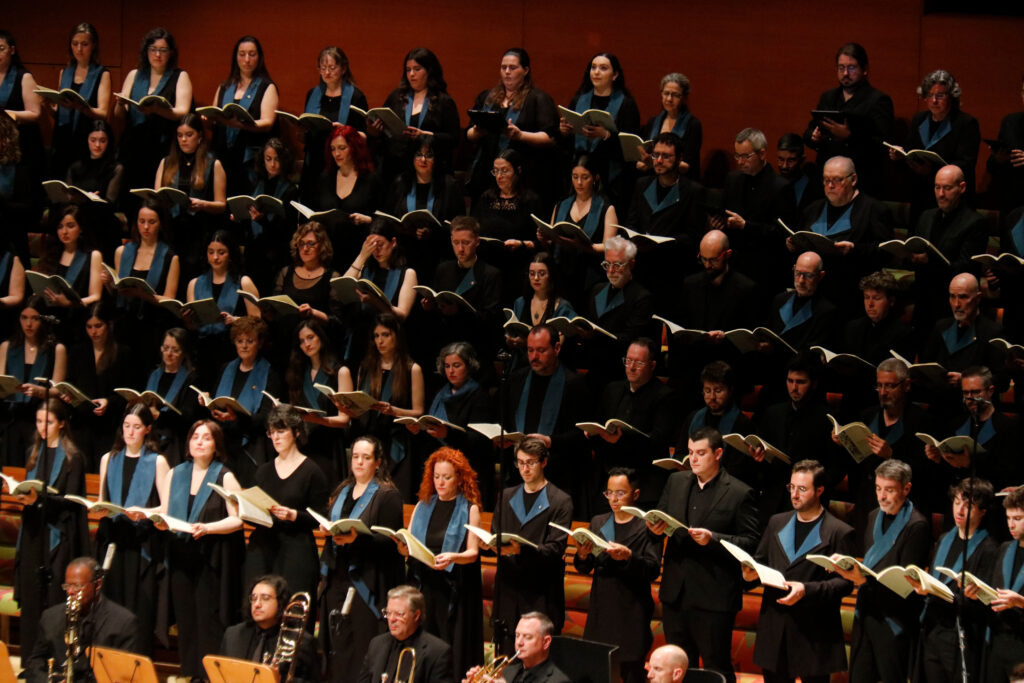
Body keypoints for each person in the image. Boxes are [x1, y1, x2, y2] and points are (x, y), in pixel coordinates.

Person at [649, 427, 759, 683]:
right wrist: (654, 529)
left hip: (714, 597)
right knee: (677, 667)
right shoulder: (676, 482)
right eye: (690, 453)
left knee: (715, 666)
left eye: (700, 453)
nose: (693, 459)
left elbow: (751, 542)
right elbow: (660, 520)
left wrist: (714, 539)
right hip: (676, 593)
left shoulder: (739, 492)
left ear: (718, 454)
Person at [743, 459, 856, 683]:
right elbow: (760, 562)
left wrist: (806, 589)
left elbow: (845, 583)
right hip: (775, 628)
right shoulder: (777, 522)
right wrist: (749, 575)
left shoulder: (838, 531)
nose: (794, 495)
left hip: (814, 633)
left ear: (819, 491)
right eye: (791, 487)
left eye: (802, 489)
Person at [157, 419, 245, 679]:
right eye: (195, 437)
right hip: (181, 554)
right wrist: (153, 518)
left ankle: (210, 676)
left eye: (206, 438)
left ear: (216, 445)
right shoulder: (175, 473)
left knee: (208, 620)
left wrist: (208, 528)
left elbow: (238, 520)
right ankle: (189, 674)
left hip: (210, 556)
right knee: (185, 620)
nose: (199, 442)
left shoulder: (225, 476)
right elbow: (165, 512)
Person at [830, 459, 931, 683]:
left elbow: (907, 586)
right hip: (866, 611)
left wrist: (863, 580)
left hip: (895, 619)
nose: (881, 496)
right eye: (878, 488)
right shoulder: (873, 516)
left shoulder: (917, 526)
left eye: (889, 490)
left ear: (906, 489)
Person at [318, 436, 404, 683]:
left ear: (378, 462)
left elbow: (390, 540)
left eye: (366, 458)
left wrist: (358, 539)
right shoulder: (343, 491)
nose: (359, 462)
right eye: (355, 456)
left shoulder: (387, 495)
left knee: (360, 644)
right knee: (338, 643)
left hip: (367, 578)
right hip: (337, 574)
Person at [13, 399, 89, 659]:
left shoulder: (73, 458)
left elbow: (71, 502)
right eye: (38, 421)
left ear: (62, 423)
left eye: (48, 422)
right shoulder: (34, 452)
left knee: (54, 600)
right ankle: (30, 661)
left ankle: (55, 661)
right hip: (33, 533)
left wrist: (40, 500)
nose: (42, 427)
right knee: (32, 599)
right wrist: (25, 497)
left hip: (58, 535)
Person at [96, 402, 171, 655]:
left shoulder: (157, 461)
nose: (130, 432)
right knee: (111, 602)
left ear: (147, 429)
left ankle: (137, 662)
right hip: (114, 540)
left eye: (136, 427)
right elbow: (102, 500)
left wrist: (145, 512)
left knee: (138, 606)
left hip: (142, 544)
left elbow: (167, 507)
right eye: (126, 425)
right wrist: (98, 508)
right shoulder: (109, 459)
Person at [400, 448, 483, 676]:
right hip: (424, 583)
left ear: (459, 479)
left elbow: (473, 553)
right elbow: (409, 542)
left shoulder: (470, 508)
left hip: (452, 586)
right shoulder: (423, 505)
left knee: (448, 645)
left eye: (447, 477)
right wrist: (402, 546)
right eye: (436, 476)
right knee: (423, 642)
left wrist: (453, 557)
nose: (440, 482)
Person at [574, 468, 661, 683]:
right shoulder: (599, 521)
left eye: (620, 493)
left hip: (632, 610)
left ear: (636, 494)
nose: (614, 499)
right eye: (609, 493)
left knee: (630, 672)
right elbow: (585, 567)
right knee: (598, 669)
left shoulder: (647, 526)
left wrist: (628, 557)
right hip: (601, 608)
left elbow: (652, 569)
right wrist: (583, 555)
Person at [489, 437, 572, 654]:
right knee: (505, 659)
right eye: (520, 462)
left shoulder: (560, 501)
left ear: (544, 462)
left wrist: (522, 550)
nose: (524, 469)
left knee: (538, 659)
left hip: (540, 593)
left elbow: (555, 548)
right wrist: (487, 544)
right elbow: (495, 533)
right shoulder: (506, 496)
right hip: (508, 591)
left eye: (531, 463)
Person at [911, 477, 998, 683]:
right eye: (957, 502)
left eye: (968, 506)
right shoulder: (944, 539)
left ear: (982, 511)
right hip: (933, 628)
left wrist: (970, 596)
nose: (959, 510)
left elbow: (987, 603)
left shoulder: (989, 549)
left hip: (962, 634)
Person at [245, 405, 328, 601]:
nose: (275, 437)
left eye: (281, 431)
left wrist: (294, 515)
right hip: (264, 548)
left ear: (296, 432)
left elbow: (321, 517)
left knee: (292, 605)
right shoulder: (263, 471)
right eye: (271, 432)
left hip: (296, 550)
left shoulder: (312, 471)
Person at [502, 325, 589, 511]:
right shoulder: (516, 379)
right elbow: (505, 421)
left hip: (558, 474)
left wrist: (550, 441)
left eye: (541, 350)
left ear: (557, 348)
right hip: (519, 473)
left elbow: (581, 436)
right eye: (530, 350)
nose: (534, 356)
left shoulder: (574, 384)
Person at [337, 313, 425, 497]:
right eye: (376, 336)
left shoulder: (411, 368)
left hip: (396, 442)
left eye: (385, 335)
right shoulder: (367, 366)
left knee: (394, 496)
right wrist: (349, 409)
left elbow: (418, 411)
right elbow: (361, 408)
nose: (380, 341)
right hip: (369, 438)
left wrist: (393, 410)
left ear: (397, 336)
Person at [845, 358, 937, 533]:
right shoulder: (867, 416)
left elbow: (927, 474)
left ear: (906, 385)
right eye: (879, 386)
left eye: (889, 386)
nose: (883, 392)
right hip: (868, 504)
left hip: (905, 508)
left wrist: (891, 456)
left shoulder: (923, 422)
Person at [668, 230, 760, 394]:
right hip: (694, 368)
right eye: (703, 259)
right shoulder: (690, 284)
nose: (707, 265)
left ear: (728, 254)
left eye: (713, 260)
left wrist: (725, 337)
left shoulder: (746, 288)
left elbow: (750, 337)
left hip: (729, 368)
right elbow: (681, 323)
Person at [797, 156, 890, 314]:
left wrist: (855, 249)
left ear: (853, 179)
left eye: (837, 180)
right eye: (826, 180)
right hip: (815, 291)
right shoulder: (813, 209)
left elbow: (886, 252)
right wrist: (795, 245)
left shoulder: (873, 209)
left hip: (852, 291)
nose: (830, 185)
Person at [465, 48, 558, 205]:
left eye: (513, 68)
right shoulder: (488, 97)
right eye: (504, 67)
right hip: (488, 172)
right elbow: (469, 134)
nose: (507, 72)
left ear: (526, 70)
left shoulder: (538, 98)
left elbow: (551, 138)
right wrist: (477, 131)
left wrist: (520, 135)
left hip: (523, 174)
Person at [24, 557, 139, 683]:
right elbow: (35, 662)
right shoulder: (50, 616)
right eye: (67, 586)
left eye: (78, 586)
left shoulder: (124, 622)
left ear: (97, 585)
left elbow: (124, 675)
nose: (70, 591)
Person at [594, 338, 679, 508]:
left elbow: (658, 442)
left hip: (645, 482)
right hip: (610, 477)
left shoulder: (665, 396)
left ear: (652, 365)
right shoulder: (612, 389)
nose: (631, 367)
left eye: (638, 363)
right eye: (628, 361)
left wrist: (622, 439)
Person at [712, 127, 797, 290]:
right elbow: (725, 212)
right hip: (734, 262)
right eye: (737, 156)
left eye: (745, 156)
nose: (739, 162)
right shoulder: (732, 179)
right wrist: (719, 222)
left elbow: (782, 233)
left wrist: (746, 226)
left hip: (764, 267)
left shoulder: (781, 187)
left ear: (762, 154)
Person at [803, 42, 893, 196]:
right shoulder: (828, 97)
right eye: (841, 68)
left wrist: (849, 137)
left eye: (851, 68)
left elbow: (883, 144)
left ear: (864, 70)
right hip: (827, 178)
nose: (845, 73)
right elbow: (809, 132)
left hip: (861, 180)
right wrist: (814, 136)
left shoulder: (878, 100)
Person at [907, 166, 989, 334]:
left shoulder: (975, 222)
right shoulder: (926, 216)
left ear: (962, 188)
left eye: (947, 188)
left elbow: (966, 267)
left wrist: (930, 261)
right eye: (937, 187)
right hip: (924, 296)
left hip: (952, 302)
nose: (941, 194)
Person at [626, 132, 703, 310]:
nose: (659, 161)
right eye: (656, 155)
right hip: (641, 267)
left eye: (666, 156)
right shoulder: (642, 184)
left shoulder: (692, 191)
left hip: (672, 271)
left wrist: (663, 243)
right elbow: (632, 222)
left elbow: (693, 236)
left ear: (680, 158)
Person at [115, 28, 193, 202]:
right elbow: (120, 115)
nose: (157, 54)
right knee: (130, 196)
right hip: (133, 145)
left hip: (161, 145)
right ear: (146, 51)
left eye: (163, 50)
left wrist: (156, 110)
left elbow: (183, 111)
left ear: (171, 53)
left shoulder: (179, 76)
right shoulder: (134, 75)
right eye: (153, 49)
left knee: (156, 198)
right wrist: (120, 104)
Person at [889, 69, 980, 219]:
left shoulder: (966, 123)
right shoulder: (919, 119)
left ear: (951, 96)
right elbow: (911, 149)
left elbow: (966, 164)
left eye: (940, 96)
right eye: (930, 95)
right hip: (921, 195)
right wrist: (900, 155)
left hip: (952, 199)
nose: (934, 101)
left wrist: (932, 171)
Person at [204, 315, 282, 486]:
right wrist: (207, 403)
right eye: (240, 341)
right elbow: (217, 404)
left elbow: (267, 418)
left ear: (259, 343)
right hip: (223, 444)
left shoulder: (270, 373)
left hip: (251, 447)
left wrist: (237, 418)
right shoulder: (226, 368)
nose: (244, 345)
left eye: (250, 341)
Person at [559, 52, 641, 207]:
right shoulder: (578, 100)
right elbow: (567, 145)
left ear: (615, 75)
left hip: (612, 177)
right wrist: (564, 131)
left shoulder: (626, 104)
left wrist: (606, 135)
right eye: (593, 67)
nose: (596, 72)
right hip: (581, 171)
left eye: (603, 68)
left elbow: (632, 148)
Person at [414, 343, 493, 502]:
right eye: (447, 366)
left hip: (468, 470)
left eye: (456, 366)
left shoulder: (479, 395)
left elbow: (481, 440)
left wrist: (448, 434)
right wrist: (419, 429)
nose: (451, 371)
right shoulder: (441, 394)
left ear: (468, 366)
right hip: (440, 468)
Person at [419, 216, 502, 366]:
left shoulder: (490, 274)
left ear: (477, 242)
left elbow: (491, 320)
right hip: (445, 345)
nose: (460, 249)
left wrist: (459, 312)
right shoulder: (444, 269)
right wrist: (430, 307)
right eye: (456, 242)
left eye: (466, 242)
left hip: (475, 349)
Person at [65, 302, 138, 469]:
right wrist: (68, 396)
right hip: (81, 425)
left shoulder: (122, 353)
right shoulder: (78, 352)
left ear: (109, 325)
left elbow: (129, 392)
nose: (93, 331)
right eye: (89, 327)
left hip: (109, 426)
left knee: (104, 470)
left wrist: (109, 402)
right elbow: (70, 383)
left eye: (98, 326)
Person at [154, 113, 228, 277]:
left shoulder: (213, 164)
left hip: (198, 232)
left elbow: (221, 205)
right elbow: (156, 195)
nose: (183, 140)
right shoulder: (166, 162)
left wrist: (203, 204)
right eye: (180, 135)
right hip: (171, 229)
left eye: (189, 135)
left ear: (199, 137)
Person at [107, 200, 180, 361]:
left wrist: (141, 294)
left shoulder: (170, 257)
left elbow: (170, 300)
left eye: (152, 222)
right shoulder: (122, 251)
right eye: (142, 221)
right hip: (124, 323)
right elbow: (117, 292)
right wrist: (107, 283)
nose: (146, 227)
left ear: (160, 224)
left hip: (153, 326)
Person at [544, 153, 620, 304]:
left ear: (595, 177)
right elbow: (551, 242)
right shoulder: (561, 205)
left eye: (585, 177)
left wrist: (583, 246)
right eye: (575, 177)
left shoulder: (606, 208)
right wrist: (544, 238)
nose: (579, 182)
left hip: (590, 276)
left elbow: (609, 247)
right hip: (561, 272)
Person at [384, 134, 463, 278]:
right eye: (418, 154)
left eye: (429, 155)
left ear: (437, 159)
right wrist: (407, 230)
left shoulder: (449, 185)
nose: (423, 160)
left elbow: (459, 224)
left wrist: (434, 232)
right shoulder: (401, 182)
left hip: (438, 255)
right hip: (404, 254)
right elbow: (389, 219)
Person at [375, 47, 460, 181]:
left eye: (417, 69)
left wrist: (426, 136)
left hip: (429, 171)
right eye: (408, 70)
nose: (411, 74)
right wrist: (375, 129)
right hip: (396, 169)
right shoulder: (396, 97)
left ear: (429, 71)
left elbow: (454, 138)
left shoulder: (443, 101)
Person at [581, 235, 655, 390]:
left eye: (617, 265)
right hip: (593, 367)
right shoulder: (596, 290)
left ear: (631, 264)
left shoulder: (641, 297)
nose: (611, 271)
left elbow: (632, 339)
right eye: (607, 264)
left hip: (619, 373)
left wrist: (595, 336)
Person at [0, 297, 66, 467]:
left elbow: (58, 389)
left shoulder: (56, 349)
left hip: (39, 420)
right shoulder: (8, 346)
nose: (28, 324)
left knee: (34, 466)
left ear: (44, 320)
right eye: (24, 318)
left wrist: (40, 392)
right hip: (11, 418)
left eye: (34, 318)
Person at [185, 229, 260, 379]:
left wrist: (235, 320)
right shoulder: (194, 283)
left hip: (232, 349)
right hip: (203, 351)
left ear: (230, 254)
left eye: (221, 252)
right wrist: (188, 319)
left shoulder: (244, 282)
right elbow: (192, 327)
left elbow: (258, 321)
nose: (215, 257)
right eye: (211, 252)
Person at [472, 148, 544, 302]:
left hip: (517, 267)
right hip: (487, 266)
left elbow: (541, 243)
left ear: (518, 171)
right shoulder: (486, 198)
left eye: (505, 171)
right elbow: (474, 227)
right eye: (496, 171)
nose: (499, 176)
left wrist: (522, 244)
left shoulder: (531, 201)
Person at [298, 46, 368, 201]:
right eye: (323, 68)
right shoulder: (312, 94)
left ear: (343, 69)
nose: (327, 73)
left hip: (340, 163)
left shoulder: (356, 97)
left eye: (332, 68)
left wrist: (345, 131)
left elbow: (364, 135)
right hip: (314, 161)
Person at [211, 35, 279, 194]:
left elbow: (267, 123)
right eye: (242, 54)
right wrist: (208, 118)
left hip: (249, 159)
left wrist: (237, 124)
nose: (247, 59)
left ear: (259, 57)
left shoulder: (266, 86)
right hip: (222, 155)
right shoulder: (225, 86)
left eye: (252, 54)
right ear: (236, 57)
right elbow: (215, 115)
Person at [220, 574, 319, 683]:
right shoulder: (233, 635)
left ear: (281, 602)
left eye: (265, 598)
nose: (257, 604)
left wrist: (279, 680)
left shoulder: (301, 641)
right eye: (253, 598)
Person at [272, 221, 344, 363]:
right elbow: (276, 311)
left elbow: (337, 322)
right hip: (286, 343)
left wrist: (313, 313)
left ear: (322, 246)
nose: (305, 248)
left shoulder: (332, 277)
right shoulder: (286, 272)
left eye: (311, 244)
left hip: (316, 347)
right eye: (301, 244)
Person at [680, 361, 756, 493]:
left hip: (725, 489)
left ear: (730, 390)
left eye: (718, 391)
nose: (712, 397)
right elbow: (680, 452)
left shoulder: (741, 423)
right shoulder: (694, 417)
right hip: (692, 483)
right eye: (707, 391)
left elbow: (738, 468)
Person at [286, 319, 346, 482]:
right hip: (304, 444)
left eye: (310, 337)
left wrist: (317, 420)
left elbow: (345, 420)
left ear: (321, 337)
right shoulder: (298, 373)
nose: (307, 344)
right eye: (302, 341)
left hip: (330, 446)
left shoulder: (340, 372)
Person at [48, 22, 111, 179]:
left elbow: (103, 113)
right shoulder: (65, 72)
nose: (79, 49)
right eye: (75, 44)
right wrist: (46, 105)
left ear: (93, 45)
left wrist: (80, 107)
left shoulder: (102, 74)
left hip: (86, 139)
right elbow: (59, 113)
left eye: (84, 44)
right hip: (62, 139)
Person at [33, 204, 104, 340]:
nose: (64, 231)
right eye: (60, 227)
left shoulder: (93, 255)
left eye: (70, 226)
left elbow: (95, 296)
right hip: (50, 317)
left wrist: (70, 303)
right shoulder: (52, 253)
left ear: (81, 228)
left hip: (78, 319)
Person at [359, 585, 456, 683]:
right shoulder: (377, 644)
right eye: (388, 613)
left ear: (416, 615)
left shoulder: (437, 652)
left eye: (399, 614)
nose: (391, 619)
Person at [239, 137, 299, 295]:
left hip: (274, 253)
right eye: (268, 159)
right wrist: (240, 215)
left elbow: (286, 230)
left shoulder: (290, 190)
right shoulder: (257, 183)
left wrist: (262, 220)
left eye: (277, 159)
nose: (272, 164)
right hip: (253, 249)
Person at [975, 487, 1024, 682]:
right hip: (997, 640)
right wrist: (976, 592)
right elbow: (993, 590)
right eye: (1008, 518)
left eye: (1018, 518)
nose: (1011, 524)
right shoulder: (1004, 549)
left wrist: (1020, 602)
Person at [314, 124, 382, 260]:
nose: (336, 154)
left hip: (360, 251)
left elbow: (384, 219)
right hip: (328, 252)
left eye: (342, 148)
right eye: (333, 149)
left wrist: (369, 220)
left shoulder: (371, 179)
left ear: (354, 148)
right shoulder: (325, 178)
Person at [65, 120, 123, 259]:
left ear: (109, 142)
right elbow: (67, 194)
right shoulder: (76, 167)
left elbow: (110, 203)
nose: (97, 145)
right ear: (87, 140)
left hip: (102, 219)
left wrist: (93, 200)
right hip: (78, 216)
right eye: (93, 140)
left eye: (102, 141)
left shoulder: (115, 168)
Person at [143, 328, 199, 466]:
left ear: (184, 353)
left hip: (174, 442)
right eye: (166, 348)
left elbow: (187, 416)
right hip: (150, 439)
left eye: (175, 350)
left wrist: (159, 415)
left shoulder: (191, 378)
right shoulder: (154, 375)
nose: (169, 353)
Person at [462, 612, 570, 683]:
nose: (519, 642)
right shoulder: (507, 672)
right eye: (517, 636)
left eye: (527, 637)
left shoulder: (559, 681)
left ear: (546, 642)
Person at [838, 271, 915, 367]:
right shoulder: (853, 327)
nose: (870, 304)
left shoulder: (904, 333)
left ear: (891, 301)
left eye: (876, 298)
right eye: (866, 297)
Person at [767, 251, 838, 352]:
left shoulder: (826, 311)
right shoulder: (780, 299)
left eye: (808, 275)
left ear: (820, 276)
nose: (801, 281)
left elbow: (812, 351)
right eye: (798, 273)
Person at [639, 72, 702, 180]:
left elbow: (687, 166)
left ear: (684, 98)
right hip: (654, 178)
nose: (669, 99)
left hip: (679, 181)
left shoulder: (693, 125)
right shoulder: (653, 122)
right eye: (666, 93)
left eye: (675, 95)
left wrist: (655, 162)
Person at [986, 74, 1024, 213]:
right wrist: (998, 159)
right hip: (1010, 200)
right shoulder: (1010, 122)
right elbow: (991, 166)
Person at [776, 133, 823, 212]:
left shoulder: (813, 189)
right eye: (781, 159)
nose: (784, 166)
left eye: (791, 160)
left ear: (802, 159)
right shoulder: (773, 185)